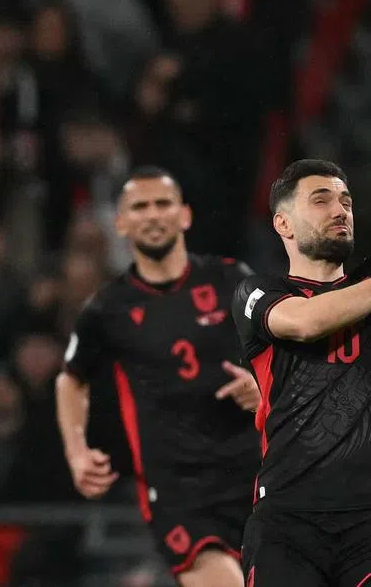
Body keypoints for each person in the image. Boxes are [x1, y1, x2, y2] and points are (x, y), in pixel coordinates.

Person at [232, 159, 371, 587]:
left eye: (346, 201)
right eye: (322, 200)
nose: (340, 210)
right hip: (287, 521)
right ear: (284, 223)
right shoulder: (258, 292)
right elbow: (305, 322)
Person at [57, 166, 261, 587]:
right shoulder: (108, 308)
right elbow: (71, 379)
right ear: (121, 223)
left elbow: (285, 350)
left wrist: (262, 388)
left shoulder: (230, 278)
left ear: (184, 215)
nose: (153, 215)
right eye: (140, 206)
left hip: (257, 471)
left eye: (163, 203)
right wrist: (77, 451)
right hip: (178, 491)